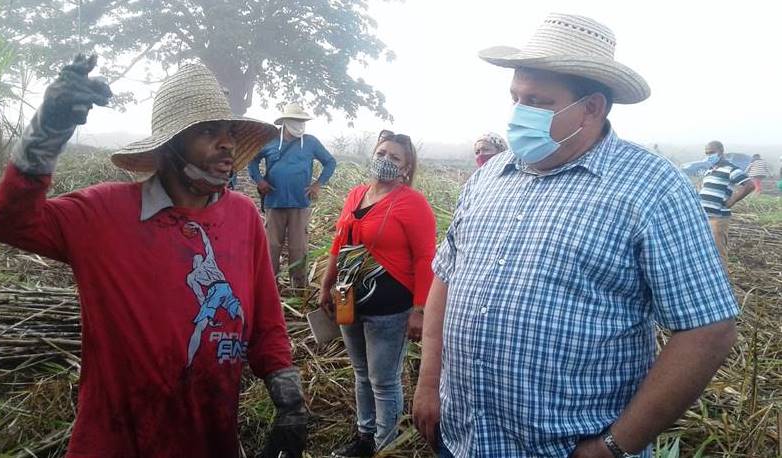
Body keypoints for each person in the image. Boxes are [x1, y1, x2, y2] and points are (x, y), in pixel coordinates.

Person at [412, 14, 739, 458]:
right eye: (515, 97)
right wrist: (429, 382)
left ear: (592, 108)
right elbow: (446, 277)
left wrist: (612, 446)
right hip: (464, 437)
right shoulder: (490, 178)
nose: (518, 113)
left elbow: (708, 329)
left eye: (538, 101)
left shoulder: (651, 188)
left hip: (569, 449)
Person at [0, 57, 308, 458]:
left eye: (228, 132)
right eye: (208, 131)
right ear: (170, 146)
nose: (226, 142)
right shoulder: (104, 213)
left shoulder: (242, 216)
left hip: (211, 440)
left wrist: (288, 398)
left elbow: (265, 323)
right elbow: (8, 222)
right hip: (120, 442)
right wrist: (47, 132)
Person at [319, 131, 437, 457]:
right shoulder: (356, 194)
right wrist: (326, 284)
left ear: (406, 166)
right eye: (381, 152)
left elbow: (426, 257)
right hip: (348, 300)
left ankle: (386, 447)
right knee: (361, 375)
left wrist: (419, 309)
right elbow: (338, 243)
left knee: (383, 381)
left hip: (390, 308)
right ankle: (364, 438)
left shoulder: (412, 203)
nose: (385, 160)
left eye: (394, 157)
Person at [248, 103, 337, 290]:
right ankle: (269, 286)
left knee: (298, 248)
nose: (299, 124)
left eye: (301, 121)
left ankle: (299, 287)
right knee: (272, 246)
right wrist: (259, 181)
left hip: (299, 204)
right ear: (285, 122)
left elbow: (330, 162)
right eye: (295, 121)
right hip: (274, 202)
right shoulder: (270, 141)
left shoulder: (311, 142)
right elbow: (252, 160)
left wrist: (317, 184)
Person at [699, 141, 754, 262]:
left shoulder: (730, 169)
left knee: (718, 252)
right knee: (706, 251)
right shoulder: (709, 171)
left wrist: (733, 200)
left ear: (721, 152)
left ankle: (723, 279)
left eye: (712, 152)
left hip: (718, 218)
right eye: (707, 153)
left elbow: (749, 185)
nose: (709, 156)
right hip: (705, 217)